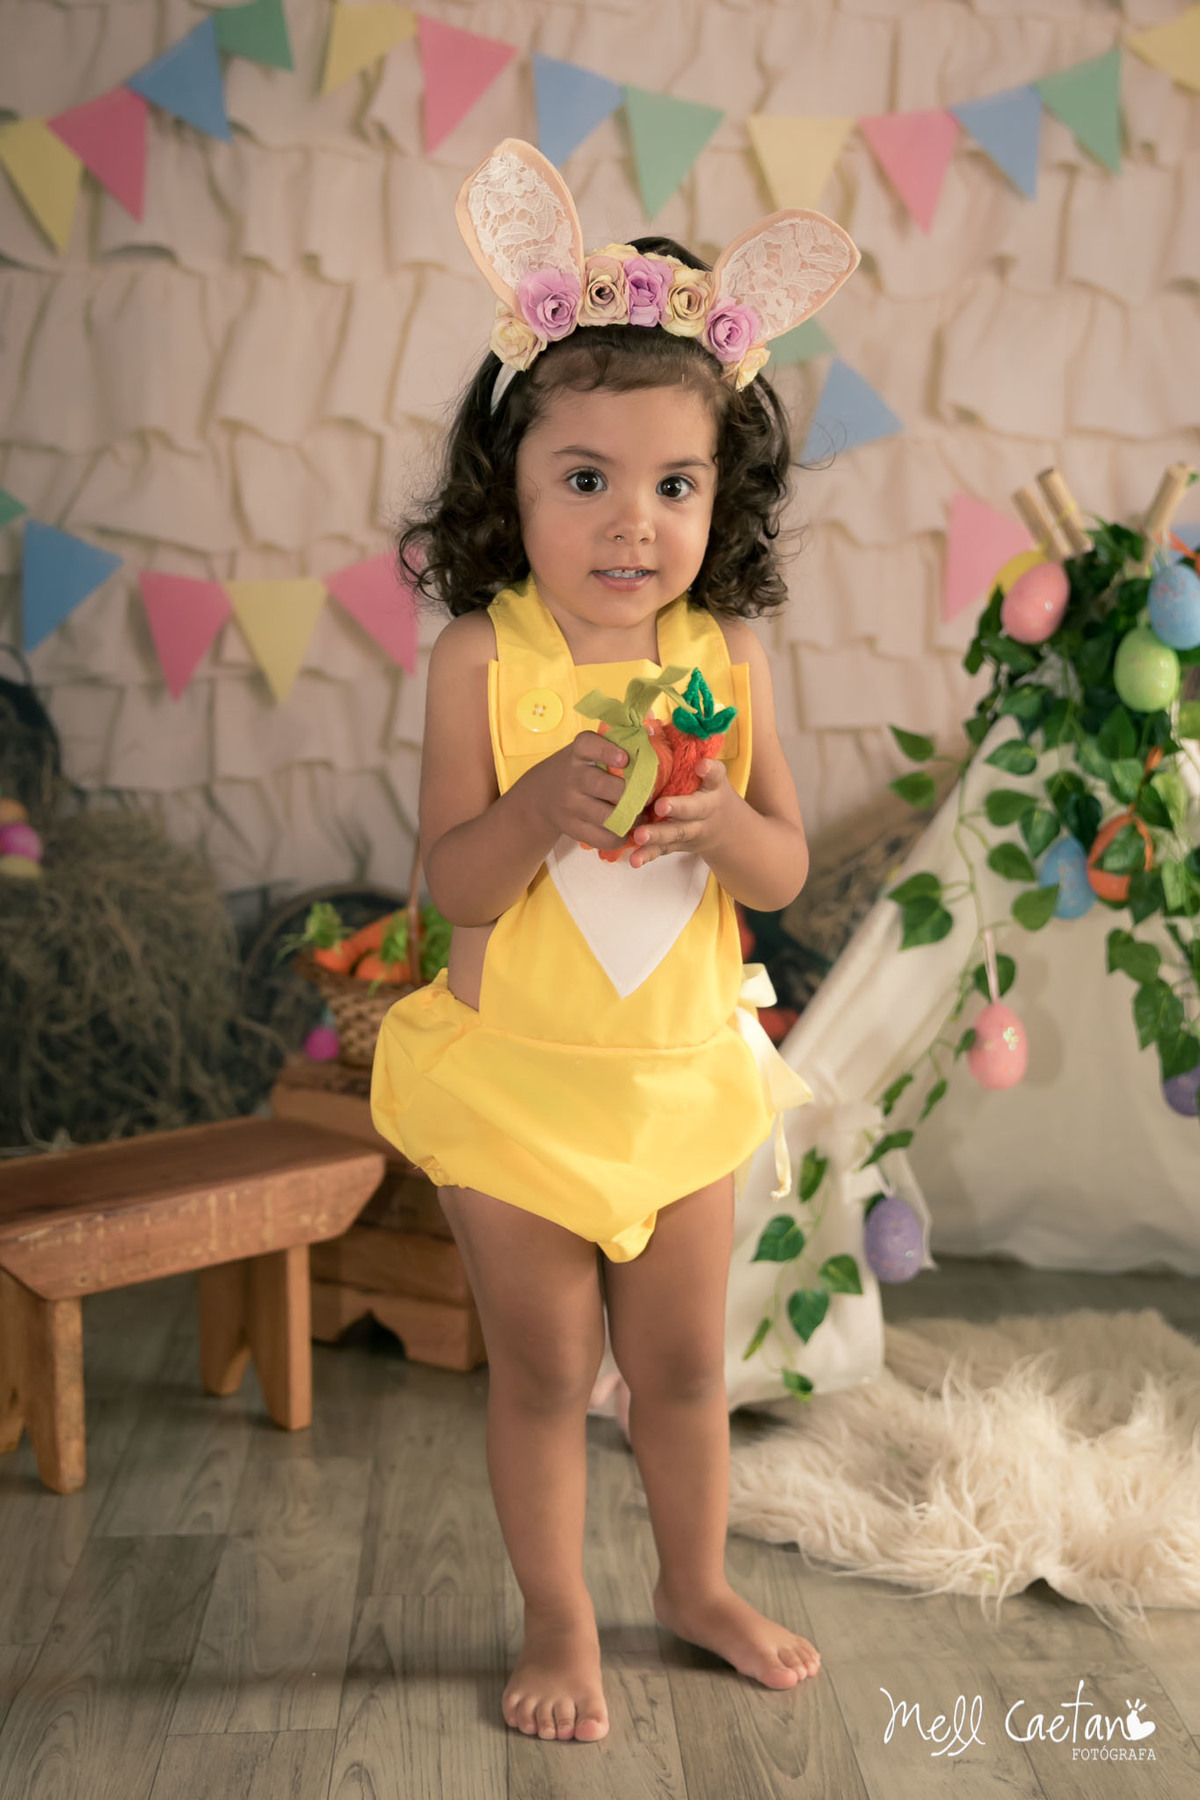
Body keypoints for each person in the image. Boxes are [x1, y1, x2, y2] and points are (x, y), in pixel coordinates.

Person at [371, 138, 860, 1745]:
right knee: (541, 1369)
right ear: (508, 485)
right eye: (585, 480)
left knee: (682, 1370)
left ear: (722, 497)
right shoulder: (480, 662)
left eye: (673, 486)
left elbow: (785, 869)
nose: (632, 523)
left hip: (676, 1078)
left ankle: (695, 1583)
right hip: (518, 1085)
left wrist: (716, 826)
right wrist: (536, 808)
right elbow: (455, 886)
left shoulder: (730, 659)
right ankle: (558, 1612)